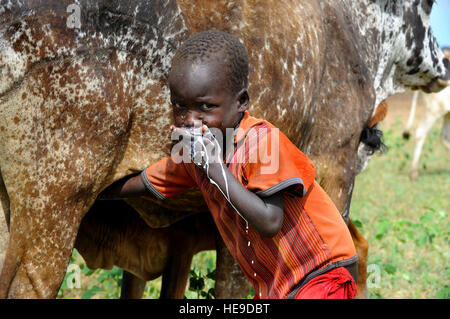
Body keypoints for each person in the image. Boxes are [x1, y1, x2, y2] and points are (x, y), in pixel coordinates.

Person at [99, 30, 358, 299]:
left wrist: (215, 169)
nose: (190, 120)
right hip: (280, 286)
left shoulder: (263, 142)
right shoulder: (195, 155)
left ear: (241, 102)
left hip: (323, 273)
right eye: (180, 107)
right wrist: (93, 192)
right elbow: (145, 183)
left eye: (205, 107)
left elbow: (270, 220)